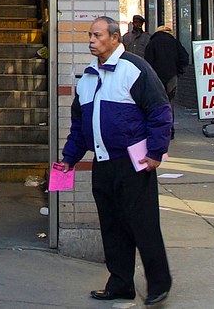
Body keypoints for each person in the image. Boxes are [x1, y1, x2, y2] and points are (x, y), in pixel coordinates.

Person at [54, 16, 173, 305]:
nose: (91, 41)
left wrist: (155, 153)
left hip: (133, 163)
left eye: (97, 36)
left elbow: (160, 111)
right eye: (90, 36)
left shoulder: (135, 69)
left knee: (143, 225)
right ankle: (120, 284)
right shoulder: (87, 78)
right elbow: (80, 125)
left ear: (115, 38)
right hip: (103, 164)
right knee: (112, 226)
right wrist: (70, 158)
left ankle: (159, 283)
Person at [144, 25, 190, 138]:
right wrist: (178, 72)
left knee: (157, 104)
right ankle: (170, 130)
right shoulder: (174, 43)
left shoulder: (152, 43)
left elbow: (147, 63)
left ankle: (159, 130)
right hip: (171, 78)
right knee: (170, 104)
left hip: (156, 79)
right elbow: (185, 58)